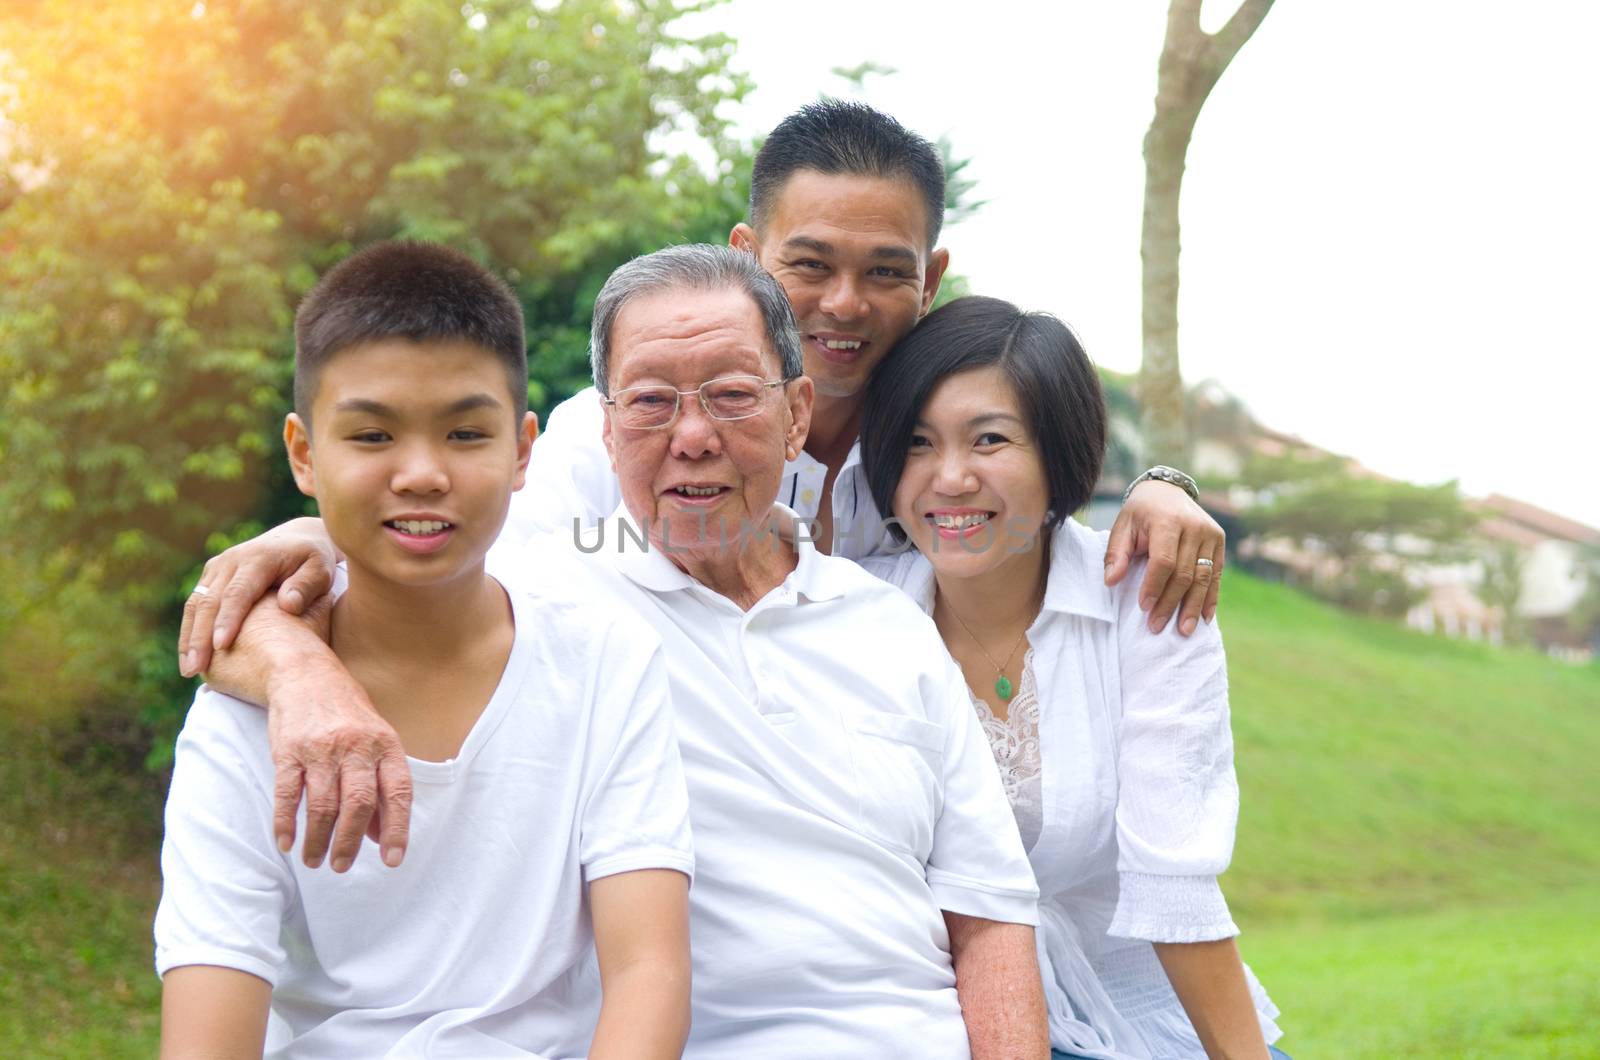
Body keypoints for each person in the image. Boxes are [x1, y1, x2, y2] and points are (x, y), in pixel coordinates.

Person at [173, 105, 1228, 867]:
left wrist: (1163, 484)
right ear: (748, 253)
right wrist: (308, 596)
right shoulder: (615, 442)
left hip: (918, 880)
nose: (844, 304)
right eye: (807, 264)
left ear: (931, 278)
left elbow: (1022, 505)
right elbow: (438, 548)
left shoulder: (930, 458)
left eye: (886, 271)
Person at [196, 244, 1049, 1058]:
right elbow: (380, 546)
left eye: (729, 395)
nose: (691, 436)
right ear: (603, 433)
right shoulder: (559, 595)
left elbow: (990, 914)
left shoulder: (890, 624)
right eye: (649, 401)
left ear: (796, 417)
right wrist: (297, 660)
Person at [154, 242, 695, 1059]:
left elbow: (648, 970)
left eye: (464, 433)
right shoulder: (240, 715)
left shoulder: (605, 662)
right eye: (371, 435)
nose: (420, 474)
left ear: (522, 451)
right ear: (305, 454)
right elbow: (208, 1018)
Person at [857, 295, 1287, 1060]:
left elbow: (1172, 873)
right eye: (918, 445)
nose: (949, 478)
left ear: (1058, 456)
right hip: (936, 1024)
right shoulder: (859, 615)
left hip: (1140, 1014)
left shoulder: (1145, 597)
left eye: (988, 439)